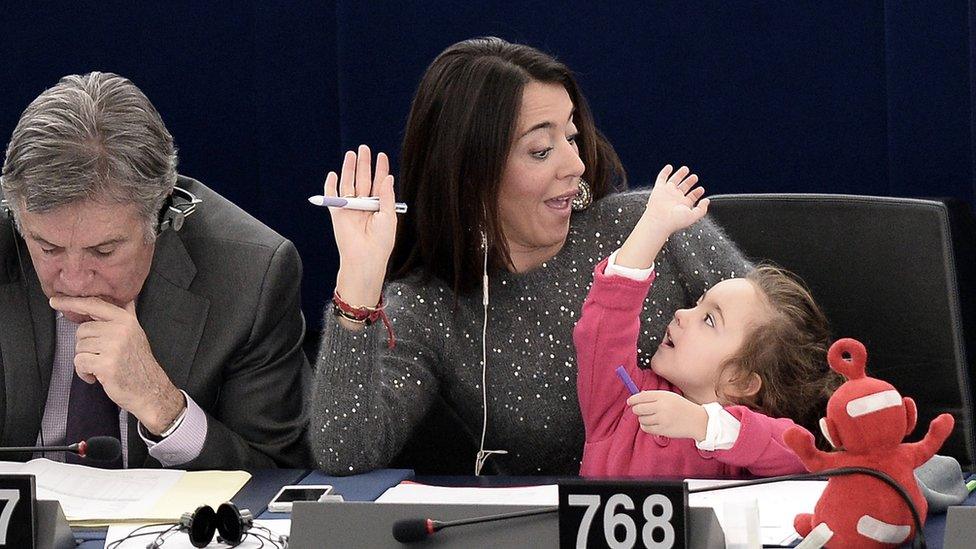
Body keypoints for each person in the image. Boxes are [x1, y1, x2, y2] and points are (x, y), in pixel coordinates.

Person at [311, 37, 750, 476]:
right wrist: (359, 283)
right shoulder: (431, 306)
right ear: (470, 175)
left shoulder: (656, 225)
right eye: (541, 150)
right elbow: (345, 453)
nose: (575, 164)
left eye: (572, 137)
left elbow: (793, 364)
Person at [0, 72, 309, 469]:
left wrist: (163, 405)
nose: (74, 279)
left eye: (104, 251)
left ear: (163, 215)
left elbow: (278, 474)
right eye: (48, 248)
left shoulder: (252, 275)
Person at [574, 167, 838, 477]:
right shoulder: (623, 400)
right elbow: (606, 321)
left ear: (740, 381)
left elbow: (802, 454)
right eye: (697, 305)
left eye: (709, 320)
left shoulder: (745, 440)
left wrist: (703, 424)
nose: (682, 315)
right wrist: (653, 227)